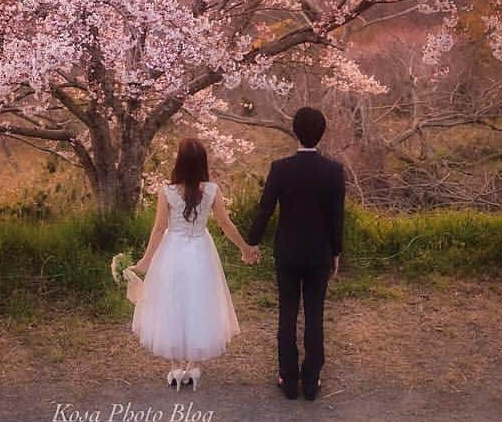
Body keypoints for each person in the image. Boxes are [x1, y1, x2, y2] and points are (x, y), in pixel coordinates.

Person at [130, 137, 256, 390]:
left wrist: (144, 261)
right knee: (199, 303)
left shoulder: (166, 192)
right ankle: (194, 367)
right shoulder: (211, 190)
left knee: (173, 303)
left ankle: (177, 367)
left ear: (179, 162)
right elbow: (225, 224)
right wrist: (245, 247)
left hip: (172, 251)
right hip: (200, 251)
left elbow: (158, 229)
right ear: (202, 164)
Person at [246, 106, 345, 400]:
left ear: (295, 131)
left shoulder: (280, 168)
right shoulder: (333, 170)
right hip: (319, 254)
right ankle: (311, 381)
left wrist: (253, 242)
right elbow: (336, 216)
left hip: (287, 252)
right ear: (322, 133)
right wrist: (336, 251)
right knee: (315, 314)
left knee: (287, 314)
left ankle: (288, 379)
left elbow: (265, 210)